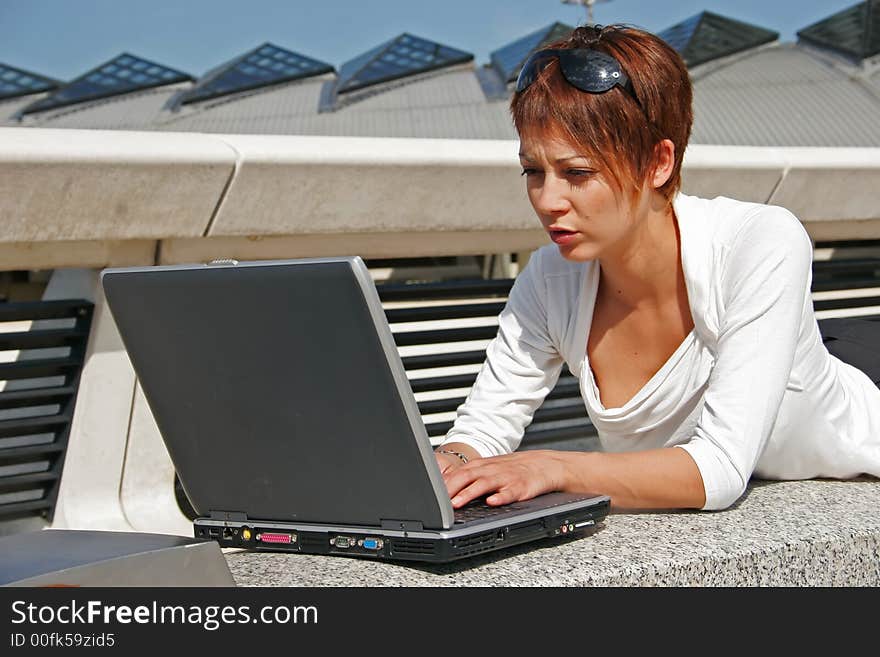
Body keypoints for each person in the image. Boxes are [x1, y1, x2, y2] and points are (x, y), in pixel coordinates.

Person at [433, 23, 880, 512]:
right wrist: (450, 461)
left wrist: (554, 466)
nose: (547, 199)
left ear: (658, 162)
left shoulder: (759, 239)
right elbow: (484, 427)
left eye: (577, 173)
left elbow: (721, 468)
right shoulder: (547, 279)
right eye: (533, 171)